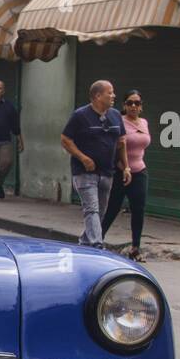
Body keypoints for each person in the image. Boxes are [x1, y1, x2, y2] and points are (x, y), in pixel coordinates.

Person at [60, 80, 126, 248]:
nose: (113, 96)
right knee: (92, 209)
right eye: (109, 93)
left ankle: (84, 243)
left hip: (107, 172)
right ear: (97, 96)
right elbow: (65, 139)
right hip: (84, 172)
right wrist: (83, 158)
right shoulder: (80, 115)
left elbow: (122, 141)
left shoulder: (116, 115)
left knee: (100, 212)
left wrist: (125, 166)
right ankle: (97, 244)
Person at [101, 88, 149, 260]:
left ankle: (135, 248)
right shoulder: (118, 121)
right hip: (121, 172)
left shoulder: (144, 123)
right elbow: (115, 146)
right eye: (130, 103)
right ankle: (97, 241)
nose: (133, 106)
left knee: (139, 210)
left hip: (140, 171)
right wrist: (122, 167)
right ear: (124, 105)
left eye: (137, 103)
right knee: (113, 208)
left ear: (141, 106)